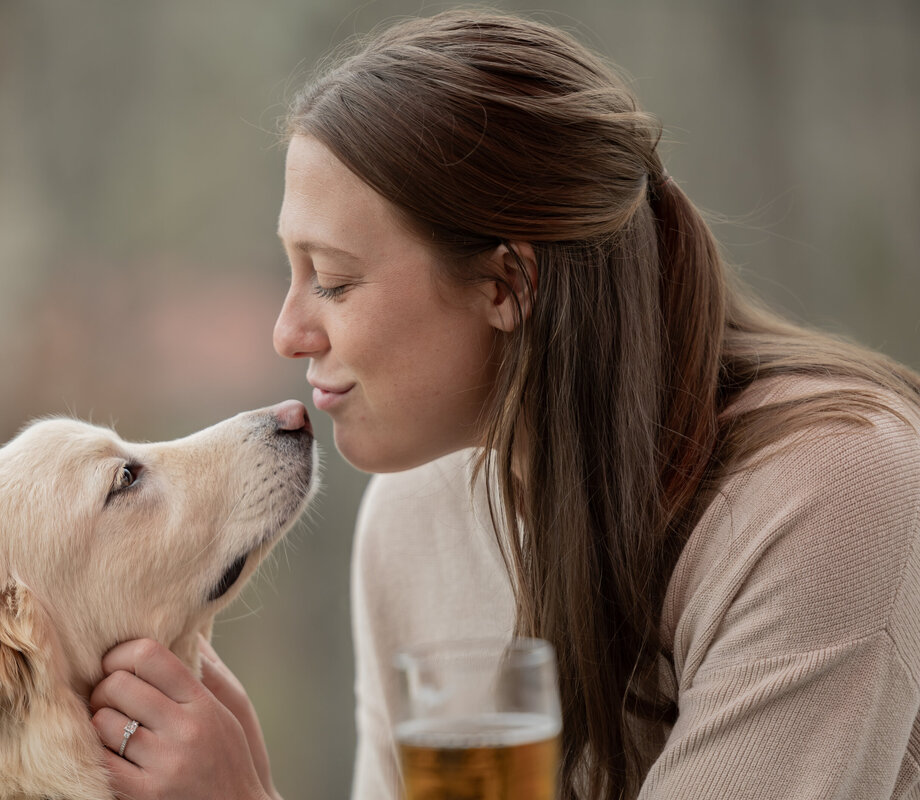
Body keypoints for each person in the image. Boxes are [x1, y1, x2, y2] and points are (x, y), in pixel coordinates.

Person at [89, 9, 920, 800]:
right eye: (293, 273)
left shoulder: (835, 492)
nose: (288, 332)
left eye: (335, 281)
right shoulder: (412, 520)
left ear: (506, 284)